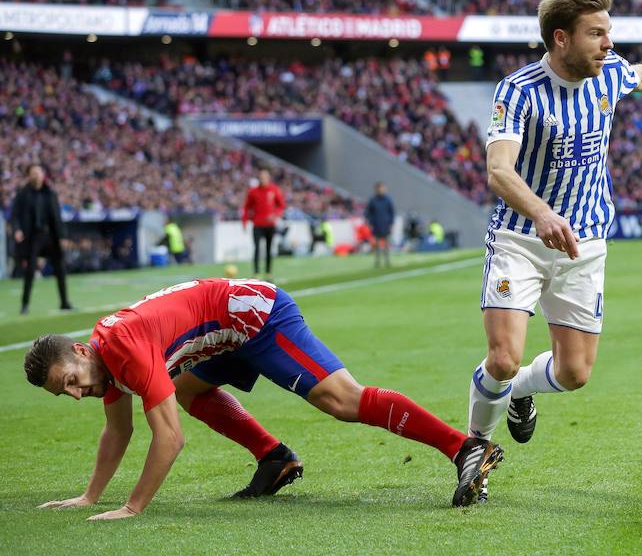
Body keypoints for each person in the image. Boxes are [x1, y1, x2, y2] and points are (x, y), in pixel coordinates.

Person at [465, 0, 642, 501]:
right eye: (598, 33)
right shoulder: (518, 90)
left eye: (610, 31)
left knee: (574, 373)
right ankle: (475, 446)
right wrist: (541, 212)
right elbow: (499, 170)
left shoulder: (610, 72)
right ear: (561, 39)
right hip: (521, 238)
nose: (609, 42)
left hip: (585, 242)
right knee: (501, 357)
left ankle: (519, 392)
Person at [23, 279, 504, 520]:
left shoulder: (122, 348)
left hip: (257, 317)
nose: (76, 393)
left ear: (82, 352)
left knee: (342, 401)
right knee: (190, 391)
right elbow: (118, 430)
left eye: (70, 379)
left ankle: (464, 448)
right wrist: (88, 497)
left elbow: (168, 440)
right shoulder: (104, 361)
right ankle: (274, 459)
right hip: (221, 335)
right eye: (63, 393)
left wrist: (131, 508)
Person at [10, 163, 72, 315]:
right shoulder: (22, 194)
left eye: (39, 172)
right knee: (30, 270)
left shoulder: (50, 193)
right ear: (29, 175)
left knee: (60, 268)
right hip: (32, 237)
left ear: (43, 175)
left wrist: (62, 236)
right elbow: (15, 215)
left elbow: (57, 217)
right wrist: (17, 230)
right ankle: (25, 304)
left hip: (49, 235)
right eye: (33, 172)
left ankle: (64, 302)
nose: (36, 175)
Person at [242, 168, 285, 279]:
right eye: (261, 177)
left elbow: (281, 205)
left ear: (268, 178)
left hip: (270, 225)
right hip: (257, 224)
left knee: (269, 248)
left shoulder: (274, 190)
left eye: (265, 177)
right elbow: (247, 207)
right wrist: (245, 221)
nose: (263, 179)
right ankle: (256, 272)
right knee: (256, 247)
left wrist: (275, 215)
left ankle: (268, 272)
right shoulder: (253, 192)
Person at [364, 182, 395, 268]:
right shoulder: (373, 200)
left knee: (386, 243)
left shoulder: (388, 200)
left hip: (385, 224)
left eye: (383, 188)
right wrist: (370, 222)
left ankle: (387, 260)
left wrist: (391, 223)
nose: (382, 190)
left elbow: (392, 212)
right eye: (380, 188)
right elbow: (368, 213)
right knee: (376, 244)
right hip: (376, 224)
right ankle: (377, 261)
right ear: (376, 189)